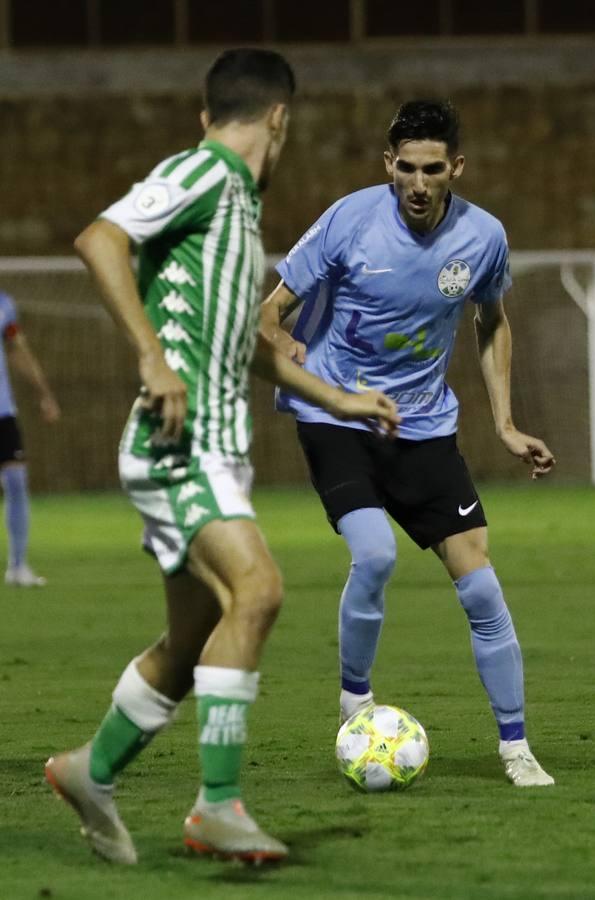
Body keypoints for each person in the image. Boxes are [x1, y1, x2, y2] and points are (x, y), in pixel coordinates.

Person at [45, 48, 397, 866]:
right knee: (259, 589)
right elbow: (99, 239)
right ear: (279, 119)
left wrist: (338, 397)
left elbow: (246, 342)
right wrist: (149, 356)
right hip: (179, 445)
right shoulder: (203, 174)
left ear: (212, 111)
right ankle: (216, 807)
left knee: (193, 634)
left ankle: (89, 773)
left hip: (215, 452)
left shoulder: (236, 208)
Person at [260, 100, 556, 788]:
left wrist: (505, 424)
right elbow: (270, 311)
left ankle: (514, 748)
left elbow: (491, 323)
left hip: (422, 427)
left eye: (431, 169)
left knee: (481, 589)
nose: (417, 183)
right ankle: (355, 702)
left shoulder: (482, 238)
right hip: (336, 417)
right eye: (404, 168)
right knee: (374, 553)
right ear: (386, 165)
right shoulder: (347, 220)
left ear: (455, 168)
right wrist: (283, 340)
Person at [0, 290, 60, 586]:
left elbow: (17, 350)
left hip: (3, 410)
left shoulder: (5, 305)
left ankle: (18, 565)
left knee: (16, 481)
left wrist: (44, 394)